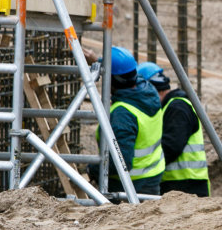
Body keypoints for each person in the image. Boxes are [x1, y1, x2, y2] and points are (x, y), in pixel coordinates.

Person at [85, 47, 165, 196]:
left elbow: (121, 163)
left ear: (112, 80)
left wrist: (92, 169)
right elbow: (127, 73)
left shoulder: (123, 114)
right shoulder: (148, 91)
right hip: (152, 178)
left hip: (129, 188)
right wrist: (99, 62)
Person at [138, 62, 211, 197]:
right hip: (179, 184)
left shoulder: (178, 108)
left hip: (187, 186)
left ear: (152, 89)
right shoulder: (168, 108)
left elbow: (171, 147)